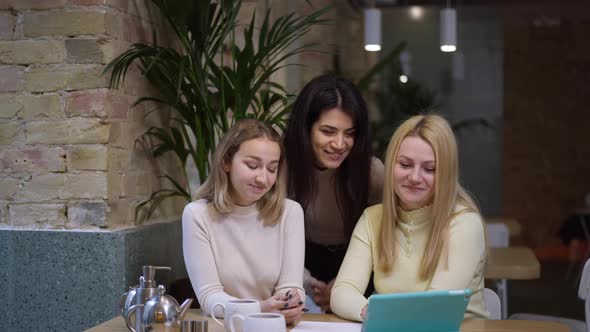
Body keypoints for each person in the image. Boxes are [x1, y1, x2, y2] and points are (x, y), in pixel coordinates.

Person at [330, 114, 488, 321]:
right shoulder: (372, 218)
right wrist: (370, 312)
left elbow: (435, 310)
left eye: (429, 169)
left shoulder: (465, 223)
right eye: (405, 164)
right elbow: (342, 292)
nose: (414, 177)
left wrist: (382, 315)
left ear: (446, 174)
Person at [182, 119, 306, 325]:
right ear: (226, 162)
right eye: (252, 165)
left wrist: (290, 303)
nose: (263, 178)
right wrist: (261, 308)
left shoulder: (290, 212)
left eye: (272, 169)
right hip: (224, 326)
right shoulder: (197, 214)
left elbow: (291, 286)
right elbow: (209, 297)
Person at [284, 74, 384, 312]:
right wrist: (306, 282)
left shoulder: (372, 172)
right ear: (305, 128)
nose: (339, 144)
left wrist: (346, 285)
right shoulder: (281, 166)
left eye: (349, 133)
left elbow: (386, 239)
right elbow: (271, 239)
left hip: (358, 263)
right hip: (296, 265)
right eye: (328, 131)